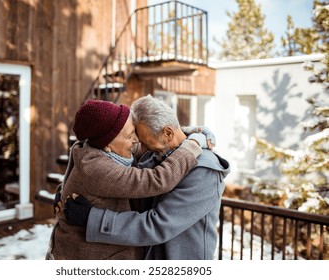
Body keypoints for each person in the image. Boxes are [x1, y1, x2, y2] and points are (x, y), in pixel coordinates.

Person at [64, 95, 230, 260]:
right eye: (132, 136)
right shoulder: (153, 153)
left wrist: (92, 219)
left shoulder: (203, 172)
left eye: (143, 141)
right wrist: (66, 191)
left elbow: (156, 226)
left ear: (168, 132)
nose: (138, 146)